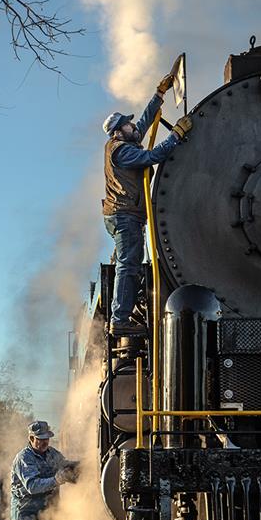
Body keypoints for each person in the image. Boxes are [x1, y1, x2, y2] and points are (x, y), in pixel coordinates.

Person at [102, 73, 193, 336]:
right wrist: (175, 135)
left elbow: (143, 123)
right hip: (125, 215)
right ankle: (120, 319)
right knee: (128, 264)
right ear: (119, 131)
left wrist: (159, 94)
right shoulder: (122, 150)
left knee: (129, 261)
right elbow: (153, 155)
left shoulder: (125, 140)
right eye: (128, 125)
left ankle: (122, 315)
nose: (135, 128)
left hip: (126, 214)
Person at [10, 420, 78, 520]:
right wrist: (57, 480)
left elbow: (66, 466)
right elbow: (32, 486)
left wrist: (82, 466)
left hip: (49, 509)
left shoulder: (53, 454)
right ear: (31, 438)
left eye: (46, 438)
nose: (44, 442)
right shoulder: (24, 458)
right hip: (26, 509)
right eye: (40, 439)